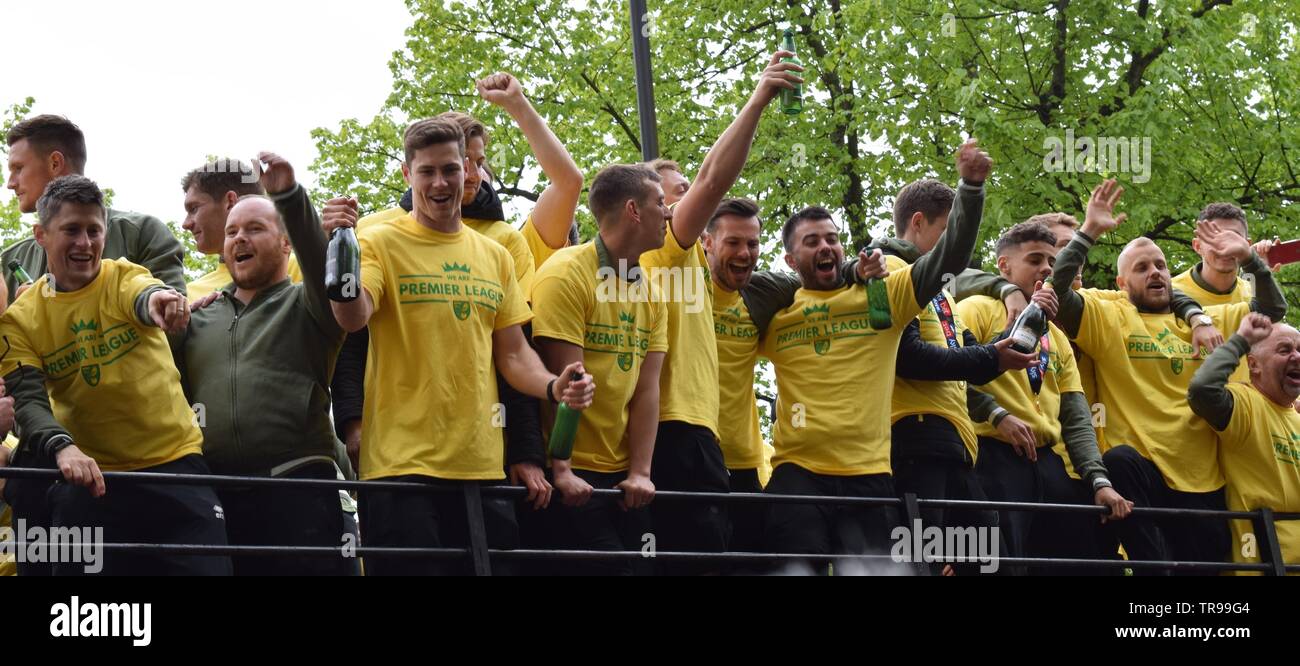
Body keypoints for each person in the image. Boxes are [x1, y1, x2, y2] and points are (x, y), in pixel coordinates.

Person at [329, 117, 592, 575]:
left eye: (450, 169)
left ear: (468, 170)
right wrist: (340, 243)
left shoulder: (494, 254)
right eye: (426, 171)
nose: (440, 182)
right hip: (400, 468)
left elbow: (513, 354)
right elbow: (353, 316)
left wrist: (554, 387)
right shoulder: (378, 242)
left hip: (481, 468)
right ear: (408, 176)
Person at [755, 140, 989, 568]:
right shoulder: (778, 315)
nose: (826, 246)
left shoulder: (881, 296)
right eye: (812, 241)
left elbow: (947, 259)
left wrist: (971, 189)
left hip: (869, 476)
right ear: (791, 258)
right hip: (797, 475)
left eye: (832, 238)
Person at [1049, 179, 1288, 574]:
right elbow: (1057, 292)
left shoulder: (1210, 320)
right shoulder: (1110, 316)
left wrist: (1250, 259)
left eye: (1160, 265)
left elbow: (1272, 312)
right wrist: (1088, 232)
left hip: (1204, 480)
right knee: (1120, 462)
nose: (1155, 272)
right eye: (1141, 268)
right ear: (1122, 284)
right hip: (1144, 476)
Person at [0, 175, 229, 575]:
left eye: (94, 231)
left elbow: (144, 294)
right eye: (71, 230)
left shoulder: (123, 275)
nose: (85, 244)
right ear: (41, 235)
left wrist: (161, 302)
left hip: (173, 464)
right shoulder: (20, 319)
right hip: (93, 475)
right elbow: (29, 400)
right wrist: (61, 447)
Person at [172, 152, 354, 575]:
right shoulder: (198, 316)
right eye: (232, 231)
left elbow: (318, 258)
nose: (239, 238)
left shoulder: (309, 306)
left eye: (255, 228)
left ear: (285, 242)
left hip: (300, 491)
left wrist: (289, 196)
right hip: (219, 499)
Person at [957, 222, 1133, 573]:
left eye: (1052, 263)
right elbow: (952, 376)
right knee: (1003, 565)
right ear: (1004, 266)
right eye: (1035, 260)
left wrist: (1098, 479)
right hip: (993, 458)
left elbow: (1076, 416)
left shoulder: (1057, 335)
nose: (1046, 270)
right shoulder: (975, 308)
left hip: (1048, 462)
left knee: (1071, 562)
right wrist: (995, 414)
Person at [1188, 313, 1300, 573]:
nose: (1296, 356)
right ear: (1254, 365)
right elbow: (1203, 391)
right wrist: (1241, 340)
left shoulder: (1295, 415)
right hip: (1266, 563)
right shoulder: (1245, 403)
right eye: (1284, 350)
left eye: (1299, 349)